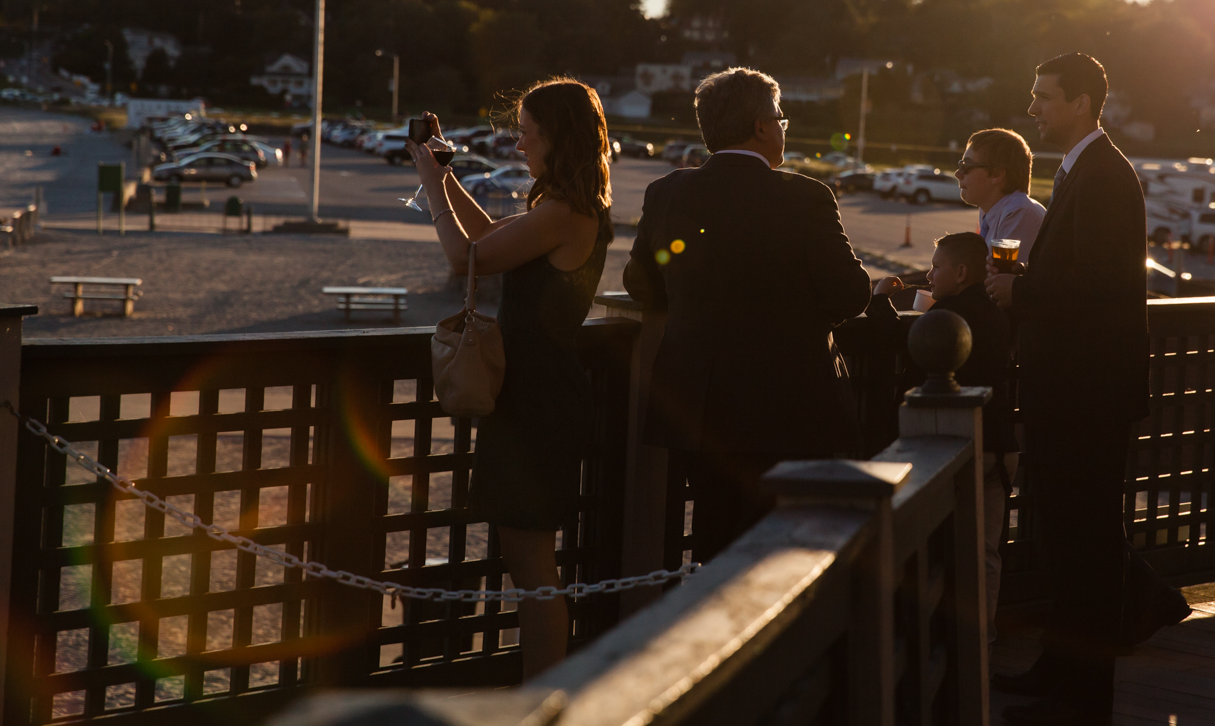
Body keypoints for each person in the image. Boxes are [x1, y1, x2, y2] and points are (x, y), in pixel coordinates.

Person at [406, 78, 615, 680]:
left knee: (532, 569)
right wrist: (444, 177)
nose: (518, 143)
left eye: (527, 132)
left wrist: (428, 185)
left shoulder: (565, 213)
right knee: (528, 563)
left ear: (556, 137)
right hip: (529, 397)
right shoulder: (561, 208)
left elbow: (462, 258)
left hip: (537, 404)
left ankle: (545, 699)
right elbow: (486, 239)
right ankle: (544, 692)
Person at [625, 67, 871, 562]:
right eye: (780, 118)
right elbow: (850, 294)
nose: (784, 127)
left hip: (698, 402)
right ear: (761, 126)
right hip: (791, 406)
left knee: (716, 539)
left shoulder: (668, 191)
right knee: (787, 548)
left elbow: (640, 283)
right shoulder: (805, 197)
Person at [984, 53, 1156, 725]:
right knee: (1065, 536)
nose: (1033, 109)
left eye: (1044, 97)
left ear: (1082, 102)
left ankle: (1084, 696)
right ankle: (1061, 669)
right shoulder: (1085, 168)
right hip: (1073, 390)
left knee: (1084, 543)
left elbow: (1104, 286)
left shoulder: (1106, 175)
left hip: (1088, 394)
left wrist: (1020, 288)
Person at [867, 232, 1015, 641]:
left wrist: (880, 299)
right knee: (985, 552)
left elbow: (900, 341)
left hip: (952, 442)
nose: (930, 274)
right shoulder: (998, 310)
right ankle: (982, 638)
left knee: (934, 548)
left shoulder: (951, 315)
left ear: (962, 271)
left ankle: (936, 643)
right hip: (998, 441)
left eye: (936, 266)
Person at [957, 128, 1045, 253]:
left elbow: (1000, 271)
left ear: (996, 175)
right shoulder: (991, 210)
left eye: (966, 166)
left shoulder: (1018, 214)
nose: (958, 173)